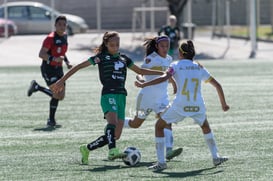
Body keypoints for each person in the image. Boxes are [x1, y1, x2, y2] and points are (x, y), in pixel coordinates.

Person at [51, 31, 165, 164]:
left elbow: (140, 71)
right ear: (106, 44)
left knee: (115, 135)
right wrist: (61, 80)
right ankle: (112, 152)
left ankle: (86, 148)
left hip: (121, 95)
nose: (115, 47)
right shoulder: (101, 57)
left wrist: (163, 73)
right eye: (112, 45)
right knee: (112, 123)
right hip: (108, 93)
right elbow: (78, 67)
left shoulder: (124, 59)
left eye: (117, 44)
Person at [135, 40, 230, 171]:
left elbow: (164, 77)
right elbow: (218, 85)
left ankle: (161, 163)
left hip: (180, 105)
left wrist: (143, 84)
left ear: (180, 53)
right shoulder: (199, 66)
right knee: (205, 126)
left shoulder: (175, 65)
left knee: (159, 126)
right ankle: (216, 157)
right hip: (197, 105)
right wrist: (223, 104)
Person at [124, 35, 182, 161]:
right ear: (156, 46)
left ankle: (169, 151)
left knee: (167, 120)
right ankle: (117, 123)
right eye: (162, 46)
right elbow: (140, 72)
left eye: (167, 46)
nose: (165, 48)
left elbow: (166, 73)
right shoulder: (151, 59)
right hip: (146, 97)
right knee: (135, 124)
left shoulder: (168, 59)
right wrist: (140, 81)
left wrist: (173, 83)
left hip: (162, 98)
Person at [27, 15, 72, 127]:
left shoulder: (65, 36)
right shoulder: (50, 38)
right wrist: (53, 59)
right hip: (49, 69)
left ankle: (37, 87)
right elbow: (41, 54)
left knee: (60, 96)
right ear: (55, 25)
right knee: (57, 93)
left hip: (59, 69)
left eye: (64, 25)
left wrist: (67, 62)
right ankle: (51, 120)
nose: (62, 27)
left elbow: (61, 51)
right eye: (60, 24)